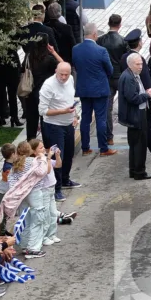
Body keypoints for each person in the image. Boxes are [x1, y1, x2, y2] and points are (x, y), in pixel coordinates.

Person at [37, 62, 80, 204]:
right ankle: (56, 189)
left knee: (69, 153)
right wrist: (63, 111)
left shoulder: (70, 80)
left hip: (68, 124)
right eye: (61, 74)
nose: (64, 77)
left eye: (66, 74)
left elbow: (70, 99)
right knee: (57, 156)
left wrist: (74, 116)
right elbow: (42, 111)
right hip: (53, 126)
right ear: (56, 71)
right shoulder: (48, 86)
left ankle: (66, 179)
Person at [121, 31, 151, 165]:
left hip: (132, 100)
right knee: (148, 128)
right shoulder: (139, 59)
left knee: (138, 130)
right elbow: (146, 81)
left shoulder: (124, 57)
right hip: (141, 99)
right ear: (140, 43)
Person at [71, 23, 113, 167]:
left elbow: (76, 66)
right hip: (100, 89)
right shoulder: (101, 50)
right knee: (101, 119)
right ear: (95, 34)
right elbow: (110, 69)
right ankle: (103, 148)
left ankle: (85, 148)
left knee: (85, 118)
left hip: (84, 89)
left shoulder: (75, 49)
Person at [117, 54, 151, 181]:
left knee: (135, 144)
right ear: (130, 64)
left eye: (141, 64)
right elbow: (133, 98)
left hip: (135, 115)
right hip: (136, 115)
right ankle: (139, 171)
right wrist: (147, 95)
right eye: (137, 64)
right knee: (139, 144)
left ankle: (134, 170)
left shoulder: (131, 75)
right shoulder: (128, 78)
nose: (140, 67)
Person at [97, 15, 130, 148]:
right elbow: (126, 59)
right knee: (127, 104)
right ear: (120, 25)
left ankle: (109, 137)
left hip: (107, 77)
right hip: (120, 76)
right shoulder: (123, 41)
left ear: (108, 23)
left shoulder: (100, 40)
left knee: (107, 108)